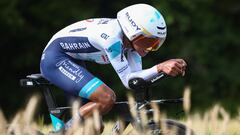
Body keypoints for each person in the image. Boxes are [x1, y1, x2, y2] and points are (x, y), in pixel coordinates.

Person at [40, 3, 187, 131]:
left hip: (73, 60)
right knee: (106, 98)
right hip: (55, 58)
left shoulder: (130, 43)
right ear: (133, 32)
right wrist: (160, 67)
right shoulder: (112, 38)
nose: (149, 48)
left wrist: (163, 71)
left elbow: (136, 80)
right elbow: (127, 80)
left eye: (155, 44)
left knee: (96, 127)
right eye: (147, 41)